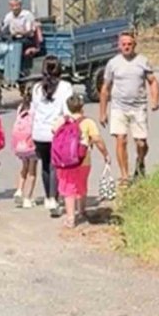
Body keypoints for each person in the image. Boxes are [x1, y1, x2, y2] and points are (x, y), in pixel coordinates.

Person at [99, 32, 159, 186]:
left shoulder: (142, 61)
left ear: (134, 45)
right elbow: (105, 88)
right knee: (121, 140)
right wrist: (102, 112)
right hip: (119, 107)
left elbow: (153, 81)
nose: (126, 47)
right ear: (119, 46)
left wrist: (155, 100)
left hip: (138, 107)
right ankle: (125, 176)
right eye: (124, 44)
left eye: (129, 44)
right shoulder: (113, 63)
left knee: (141, 143)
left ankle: (140, 162)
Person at [54, 94, 110, 229]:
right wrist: (105, 154)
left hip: (65, 161)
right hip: (83, 160)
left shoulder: (61, 121)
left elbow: (54, 134)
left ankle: (70, 218)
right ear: (82, 107)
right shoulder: (88, 122)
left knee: (68, 189)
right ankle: (82, 210)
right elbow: (97, 140)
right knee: (81, 184)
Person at [31, 55, 73, 216]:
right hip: (56, 132)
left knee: (45, 165)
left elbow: (34, 111)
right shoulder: (65, 87)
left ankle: (49, 197)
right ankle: (54, 198)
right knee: (55, 165)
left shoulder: (36, 88)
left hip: (39, 133)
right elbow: (67, 111)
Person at [12, 84, 38, 209]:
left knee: (24, 167)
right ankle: (28, 197)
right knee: (32, 170)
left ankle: (19, 190)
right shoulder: (35, 108)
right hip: (31, 143)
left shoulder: (21, 107)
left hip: (20, 143)